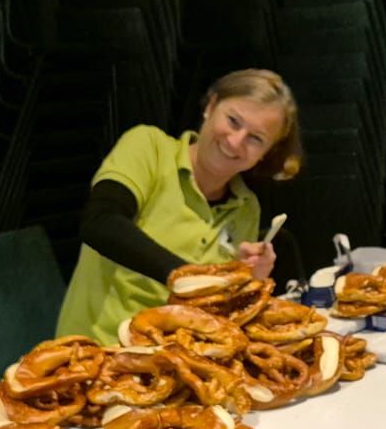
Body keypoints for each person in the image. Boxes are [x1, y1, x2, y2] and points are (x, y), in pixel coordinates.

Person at [56, 69, 303, 343]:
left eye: (255, 138)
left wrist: (248, 283)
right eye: (233, 121)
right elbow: (101, 221)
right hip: (97, 350)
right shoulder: (149, 147)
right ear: (210, 106)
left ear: (266, 153)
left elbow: (220, 318)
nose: (235, 142)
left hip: (181, 358)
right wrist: (187, 276)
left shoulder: (246, 208)